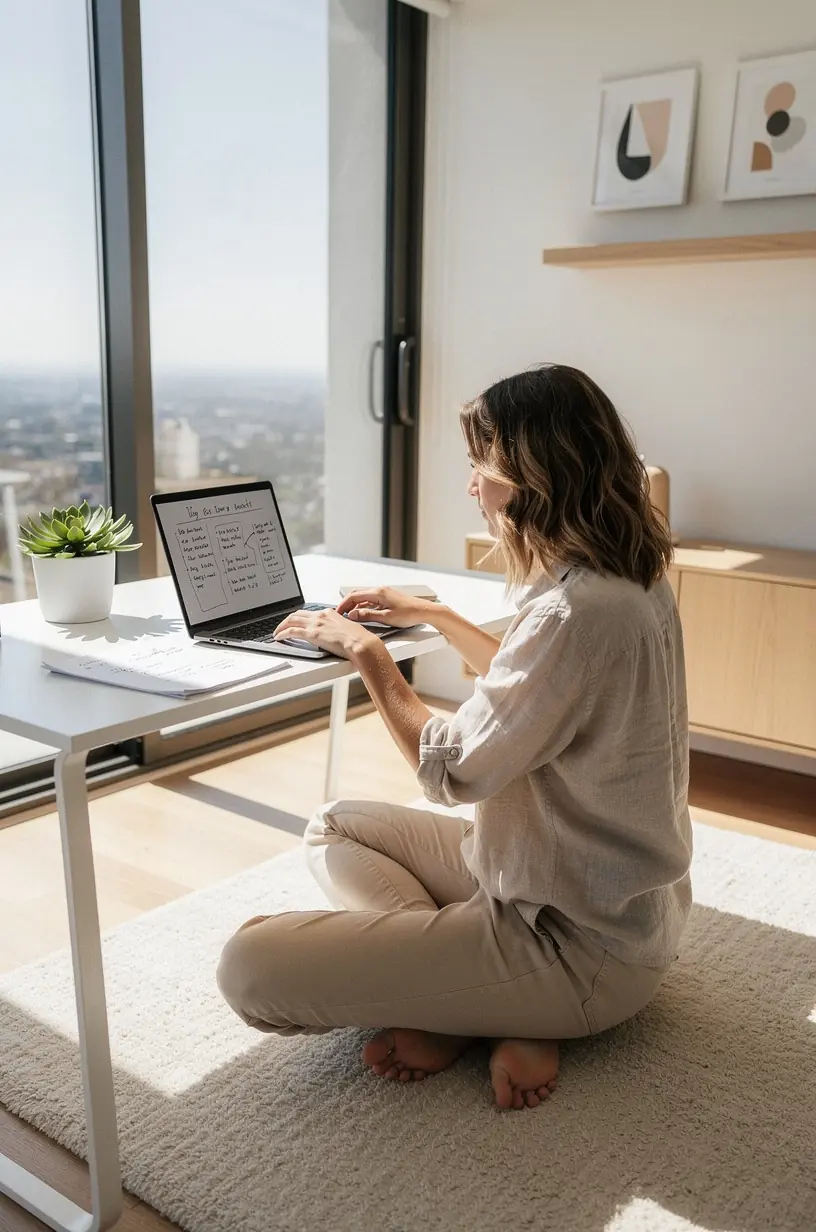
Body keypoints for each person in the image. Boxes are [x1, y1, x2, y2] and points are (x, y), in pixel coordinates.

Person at [217, 363, 692, 1111]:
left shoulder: (573, 615)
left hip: (575, 948)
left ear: (536, 476)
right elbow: (533, 692)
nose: (473, 485)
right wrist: (429, 616)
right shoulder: (625, 575)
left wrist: (367, 653)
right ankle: (470, 998)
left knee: (247, 964)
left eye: (483, 467)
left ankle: (483, 1000)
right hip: (591, 900)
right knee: (334, 825)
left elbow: (458, 771)